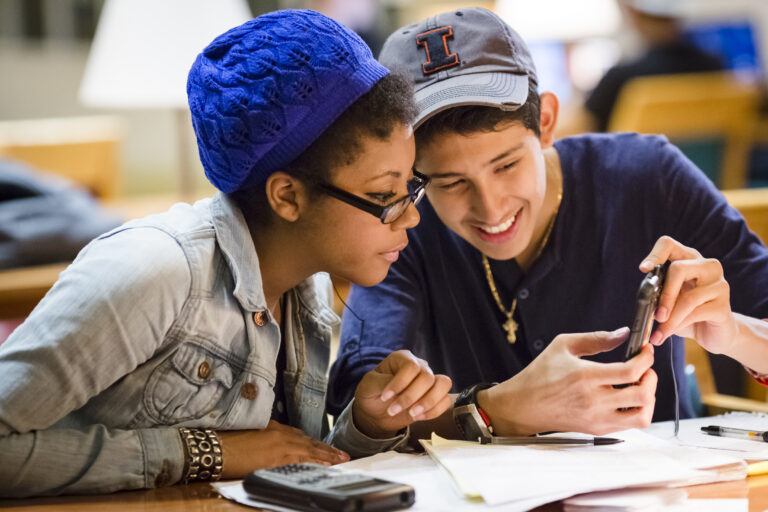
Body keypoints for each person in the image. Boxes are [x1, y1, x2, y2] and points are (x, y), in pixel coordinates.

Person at [0, 10, 452, 497]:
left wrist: (367, 423)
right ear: (287, 197)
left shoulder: (308, 285)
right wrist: (204, 452)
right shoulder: (154, 271)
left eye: (411, 187)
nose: (411, 217)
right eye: (385, 197)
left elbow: (284, 462)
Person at [328, 7, 768, 441]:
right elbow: (358, 408)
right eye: (451, 182)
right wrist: (495, 409)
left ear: (546, 123)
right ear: (408, 171)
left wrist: (734, 332)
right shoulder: (404, 228)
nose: (490, 206)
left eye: (506, 165)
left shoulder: (650, 176)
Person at [562, 0, 723, 135]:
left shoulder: (621, 79)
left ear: (633, 14)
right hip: (702, 173)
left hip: (638, 173)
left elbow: (576, 134)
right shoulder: (715, 68)